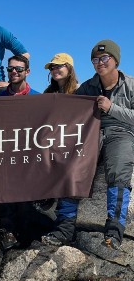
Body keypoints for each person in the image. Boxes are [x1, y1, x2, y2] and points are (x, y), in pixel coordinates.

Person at [42, 40, 134, 251]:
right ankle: (64, 228)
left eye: (104, 58)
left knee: (119, 168)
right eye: (95, 59)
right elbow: (70, 109)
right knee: (73, 167)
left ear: (115, 60)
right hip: (92, 133)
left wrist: (112, 108)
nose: (99, 63)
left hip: (122, 133)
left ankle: (114, 229)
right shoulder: (88, 87)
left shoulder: (130, 84)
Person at [0, 55, 38, 250]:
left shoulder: (38, 98)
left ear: (27, 72)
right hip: (4, 154)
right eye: (10, 69)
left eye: (18, 70)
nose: (14, 72)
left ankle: (27, 234)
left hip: (28, 155)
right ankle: (7, 231)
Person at [33, 53, 79, 221]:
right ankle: (45, 192)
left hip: (72, 138)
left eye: (59, 66)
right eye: (52, 67)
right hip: (52, 137)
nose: (54, 70)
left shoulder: (80, 91)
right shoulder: (48, 93)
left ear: (70, 68)